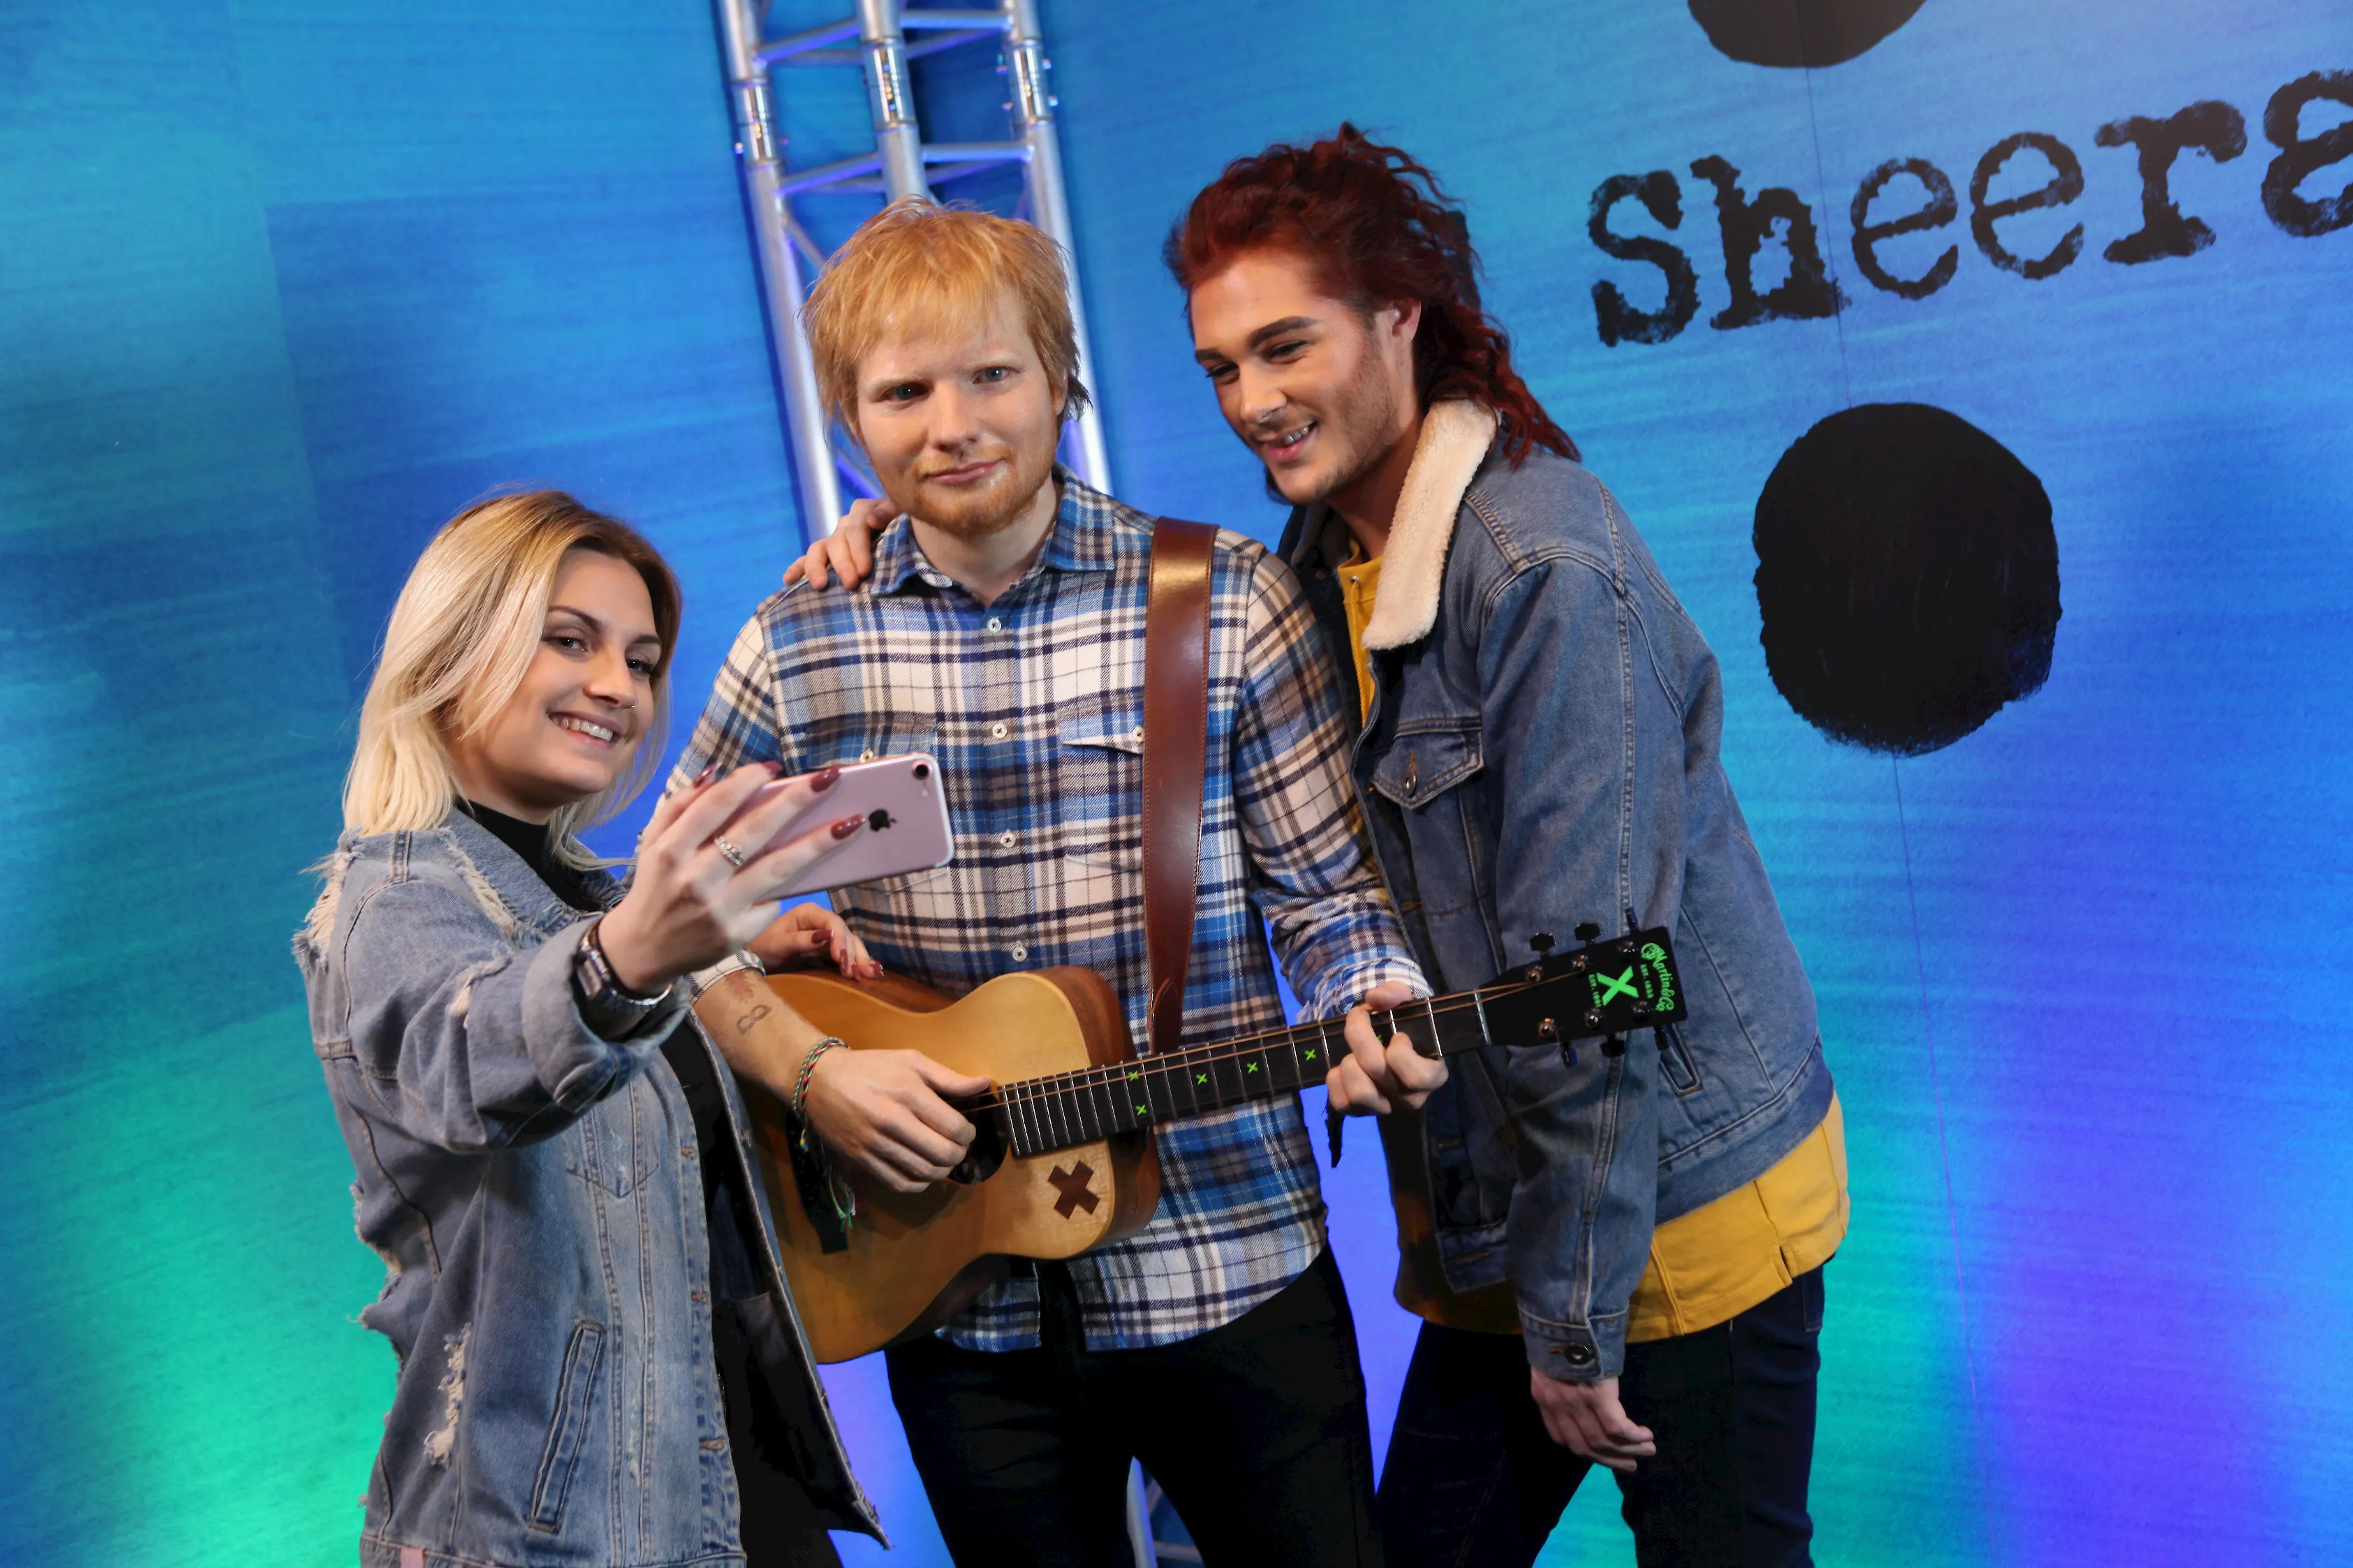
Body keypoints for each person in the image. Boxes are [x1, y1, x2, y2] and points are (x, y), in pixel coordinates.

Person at [799, 128, 1848, 1568]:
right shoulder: (1309, 562)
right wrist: (909, 523)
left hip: (1670, 1207)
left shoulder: (1543, 567)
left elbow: (1590, 989)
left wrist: (1574, 1322)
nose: (1253, 400)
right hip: (1506, 1212)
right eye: (1222, 366)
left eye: (1286, 347)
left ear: (1398, 317)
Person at [672, 199, 1439, 1567]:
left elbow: (1328, 900)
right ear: (851, 422)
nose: (952, 422)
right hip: (955, 1306)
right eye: (902, 391)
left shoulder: (1222, 600)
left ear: (1059, 382)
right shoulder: (797, 648)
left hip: (1231, 1262)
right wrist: (811, 1074)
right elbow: (665, 938)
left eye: (990, 375)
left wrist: (1372, 991)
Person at [295, 491, 886, 1568]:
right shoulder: (391, 895)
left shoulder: (578, 895)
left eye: (643, 659)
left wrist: (733, 954)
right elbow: (477, 1060)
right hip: (551, 1532)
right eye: (569, 640)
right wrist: (631, 959)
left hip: (728, 1479)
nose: (617, 686)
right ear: (458, 642)